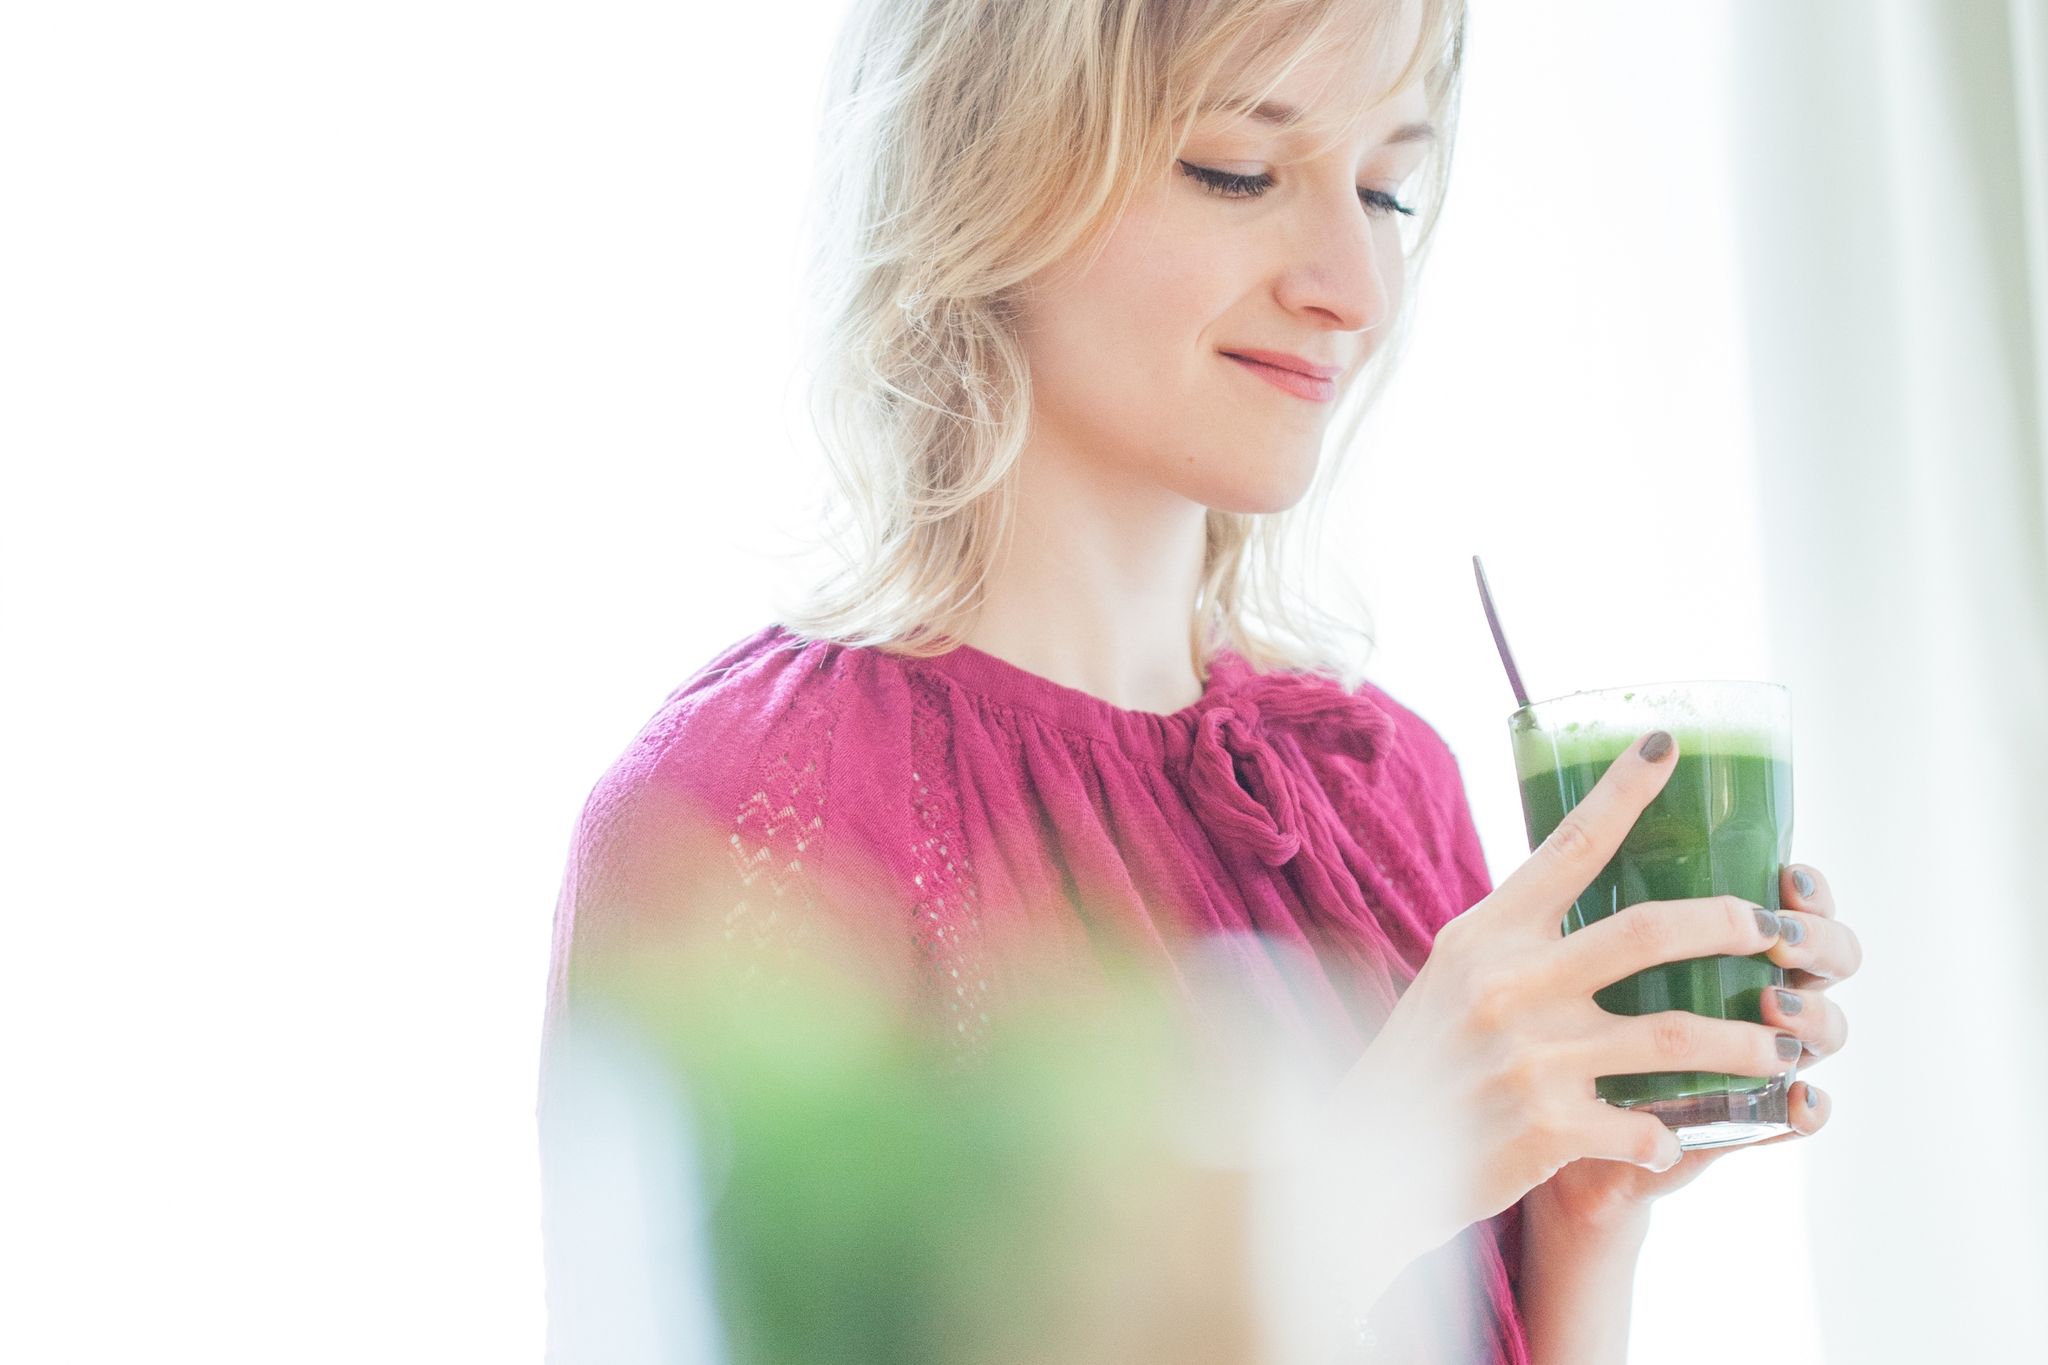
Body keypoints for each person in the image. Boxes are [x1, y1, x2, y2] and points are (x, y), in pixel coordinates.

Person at [539, 1, 1863, 1361]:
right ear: (986, 159)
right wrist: (1358, 1189)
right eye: (1240, 169)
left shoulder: (1379, 786)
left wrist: (1589, 1209)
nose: (1354, 283)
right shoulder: (751, 811)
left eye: (1386, 188)